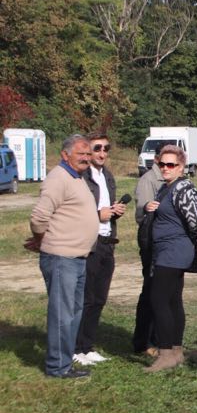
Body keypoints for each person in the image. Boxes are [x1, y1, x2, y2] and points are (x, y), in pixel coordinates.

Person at [25, 134, 99, 379]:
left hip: (77, 257)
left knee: (73, 313)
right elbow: (39, 217)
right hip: (61, 258)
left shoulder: (76, 177)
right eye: (81, 154)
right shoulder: (58, 178)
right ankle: (57, 367)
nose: (86, 158)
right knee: (62, 315)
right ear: (65, 155)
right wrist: (40, 239)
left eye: (88, 154)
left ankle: (65, 362)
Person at [143, 145, 197, 372]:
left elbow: (196, 223)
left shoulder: (184, 188)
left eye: (171, 164)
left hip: (174, 252)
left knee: (159, 300)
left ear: (181, 167)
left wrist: (184, 243)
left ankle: (166, 353)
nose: (165, 168)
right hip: (166, 251)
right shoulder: (166, 188)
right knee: (172, 301)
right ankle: (176, 351)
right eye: (162, 164)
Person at [74, 132, 127, 366]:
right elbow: (73, 212)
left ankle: (87, 347)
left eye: (106, 148)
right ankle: (75, 348)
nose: (102, 153)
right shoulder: (81, 177)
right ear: (88, 150)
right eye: (97, 148)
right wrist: (98, 215)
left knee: (99, 299)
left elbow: (106, 209)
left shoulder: (108, 176)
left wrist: (115, 211)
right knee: (85, 299)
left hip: (107, 242)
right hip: (89, 243)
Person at [132, 158, 164, 357]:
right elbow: (141, 216)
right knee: (151, 291)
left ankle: (159, 339)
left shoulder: (170, 180)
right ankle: (144, 342)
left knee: (162, 293)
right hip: (151, 241)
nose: (168, 166)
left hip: (165, 244)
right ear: (158, 159)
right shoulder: (148, 180)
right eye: (165, 162)